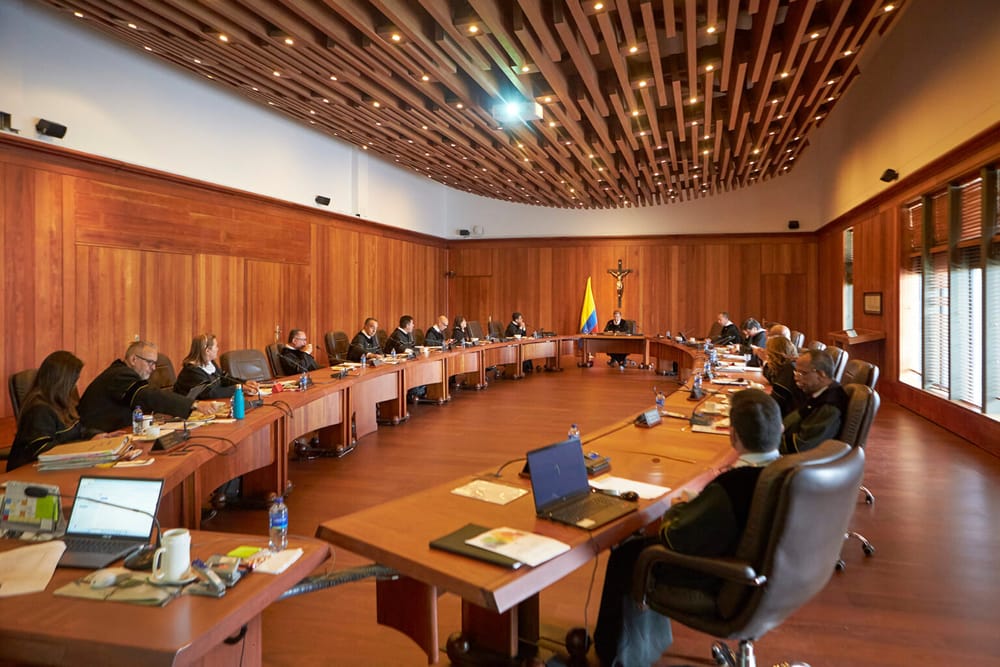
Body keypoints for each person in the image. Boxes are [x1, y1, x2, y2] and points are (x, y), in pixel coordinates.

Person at [593, 389, 784, 666]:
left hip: (721, 579)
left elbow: (675, 534)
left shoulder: (733, 486)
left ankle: (611, 653)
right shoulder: (790, 472)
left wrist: (681, 506)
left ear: (733, 436)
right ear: (779, 428)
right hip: (772, 577)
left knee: (628, 552)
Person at [6, 351, 105, 471]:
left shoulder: (61, 402)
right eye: (73, 381)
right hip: (29, 472)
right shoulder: (39, 409)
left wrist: (96, 435)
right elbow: (44, 450)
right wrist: (83, 445)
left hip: (58, 467)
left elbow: (78, 430)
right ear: (62, 380)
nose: (74, 385)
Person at [79, 340, 196, 432]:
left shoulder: (124, 373)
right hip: (96, 438)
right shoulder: (120, 375)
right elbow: (149, 396)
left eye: (155, 363)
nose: (154, 368)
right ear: (134, 359)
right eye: (150, 362)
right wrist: (193, 405)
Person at [781, 348, 849, 454]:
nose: (796, 378)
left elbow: (801, 446)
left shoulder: (829, 405)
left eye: (802, 373)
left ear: (821, 374)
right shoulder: (818, 394)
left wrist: (767, 442)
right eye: (796, 372)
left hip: (799, 464)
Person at [173, 334, 260, 399]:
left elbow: (224, 378)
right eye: (216, 346)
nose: (217, 349)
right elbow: (210, 393)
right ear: (207, 351)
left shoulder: (210, 363)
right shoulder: (191, 371)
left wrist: (244, 383)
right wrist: (239, 388)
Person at [763, 336, 801, 417]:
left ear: (773, 353)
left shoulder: (789, 368)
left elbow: (775, 401)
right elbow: (771, 379)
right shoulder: (786, 365)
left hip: (786, 416)